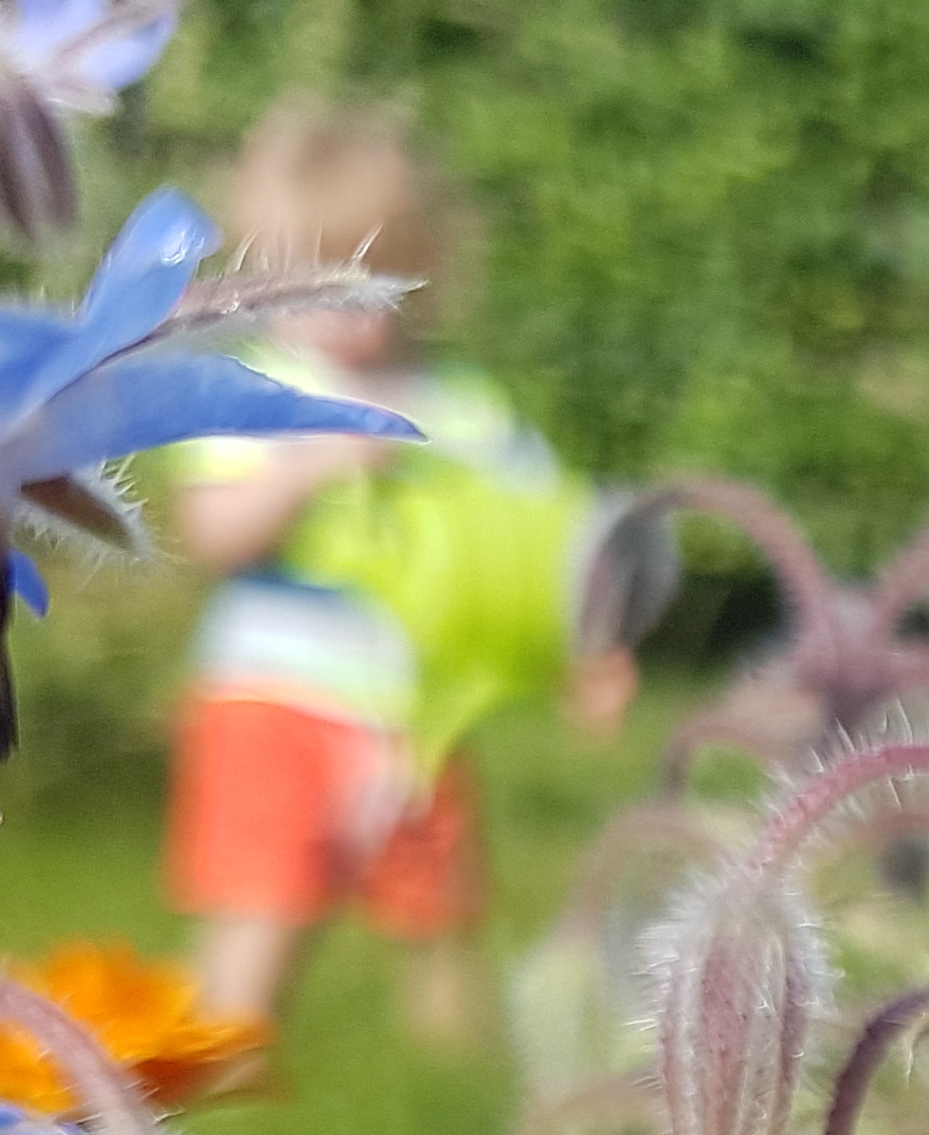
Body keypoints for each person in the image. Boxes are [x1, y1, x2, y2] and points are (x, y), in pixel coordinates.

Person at [161, 100, 636, 1053]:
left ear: (420, 267)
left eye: (358, 280)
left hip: (418, 712)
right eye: (301, 281)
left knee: (439, 912)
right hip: (272, 700)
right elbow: (210, 532)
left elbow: (544, 546)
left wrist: (590, 646)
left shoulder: (463, 411)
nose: (330, 312)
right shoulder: (249, 396)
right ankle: (206, 1065)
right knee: (262, 902)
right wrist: (299, 470)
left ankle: (445, 1080)